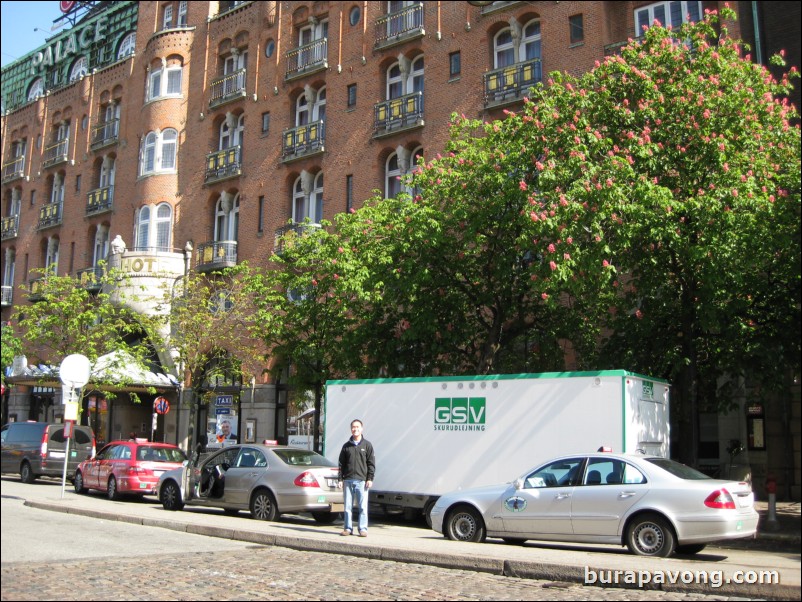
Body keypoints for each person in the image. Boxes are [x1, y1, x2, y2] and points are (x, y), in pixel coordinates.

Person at [337, 419, 375, 537]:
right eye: (353, 427)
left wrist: (370, 478)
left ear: (362, 429)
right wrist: (340, 479)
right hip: (348, 480)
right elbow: (341, 464)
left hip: (362, 481)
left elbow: (371, 463)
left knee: (363, 507)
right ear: (351, 429)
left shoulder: (367, 445)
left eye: (357, 427)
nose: (355, 429)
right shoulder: (346, 446)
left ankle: (362, 529)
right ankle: (348, 529)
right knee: (347, 507)